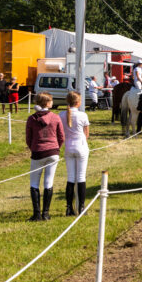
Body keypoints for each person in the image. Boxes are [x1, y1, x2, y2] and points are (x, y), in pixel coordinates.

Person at [25, 92, 64, 222]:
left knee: (34, 183)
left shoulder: (31, 119)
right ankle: (46, 213)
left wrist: (34, 148)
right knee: (49, 181)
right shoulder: (55, 117)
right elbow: (61, 136)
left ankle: (37, 214)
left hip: (37, 152)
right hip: (53, 152)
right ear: (48, 103)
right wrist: (56, 147)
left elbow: (28, 138)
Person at [59, 90, 90, 216]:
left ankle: (69, 208)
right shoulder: (83, 115)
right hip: (81, 146)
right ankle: (81, 207)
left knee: (71, 178)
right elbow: (86, 133)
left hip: (69, 146)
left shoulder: (61, 114)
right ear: (77, 102)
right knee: (81, 177)